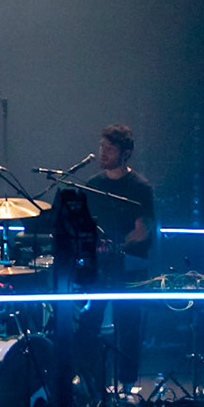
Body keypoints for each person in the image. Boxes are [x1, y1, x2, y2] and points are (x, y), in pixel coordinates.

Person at [75, 123, 156, 386]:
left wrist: (117, 245)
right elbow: (83, 224)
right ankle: (90, 383)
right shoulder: (92, 185)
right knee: (88, 323)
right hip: (98, 267)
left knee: (128, 327)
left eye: (109, 149)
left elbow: (142, 231)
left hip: (130, 268)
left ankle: (127, 386)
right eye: (102, 147)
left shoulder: (140, 187)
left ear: (126, 153)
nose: (103, 152)